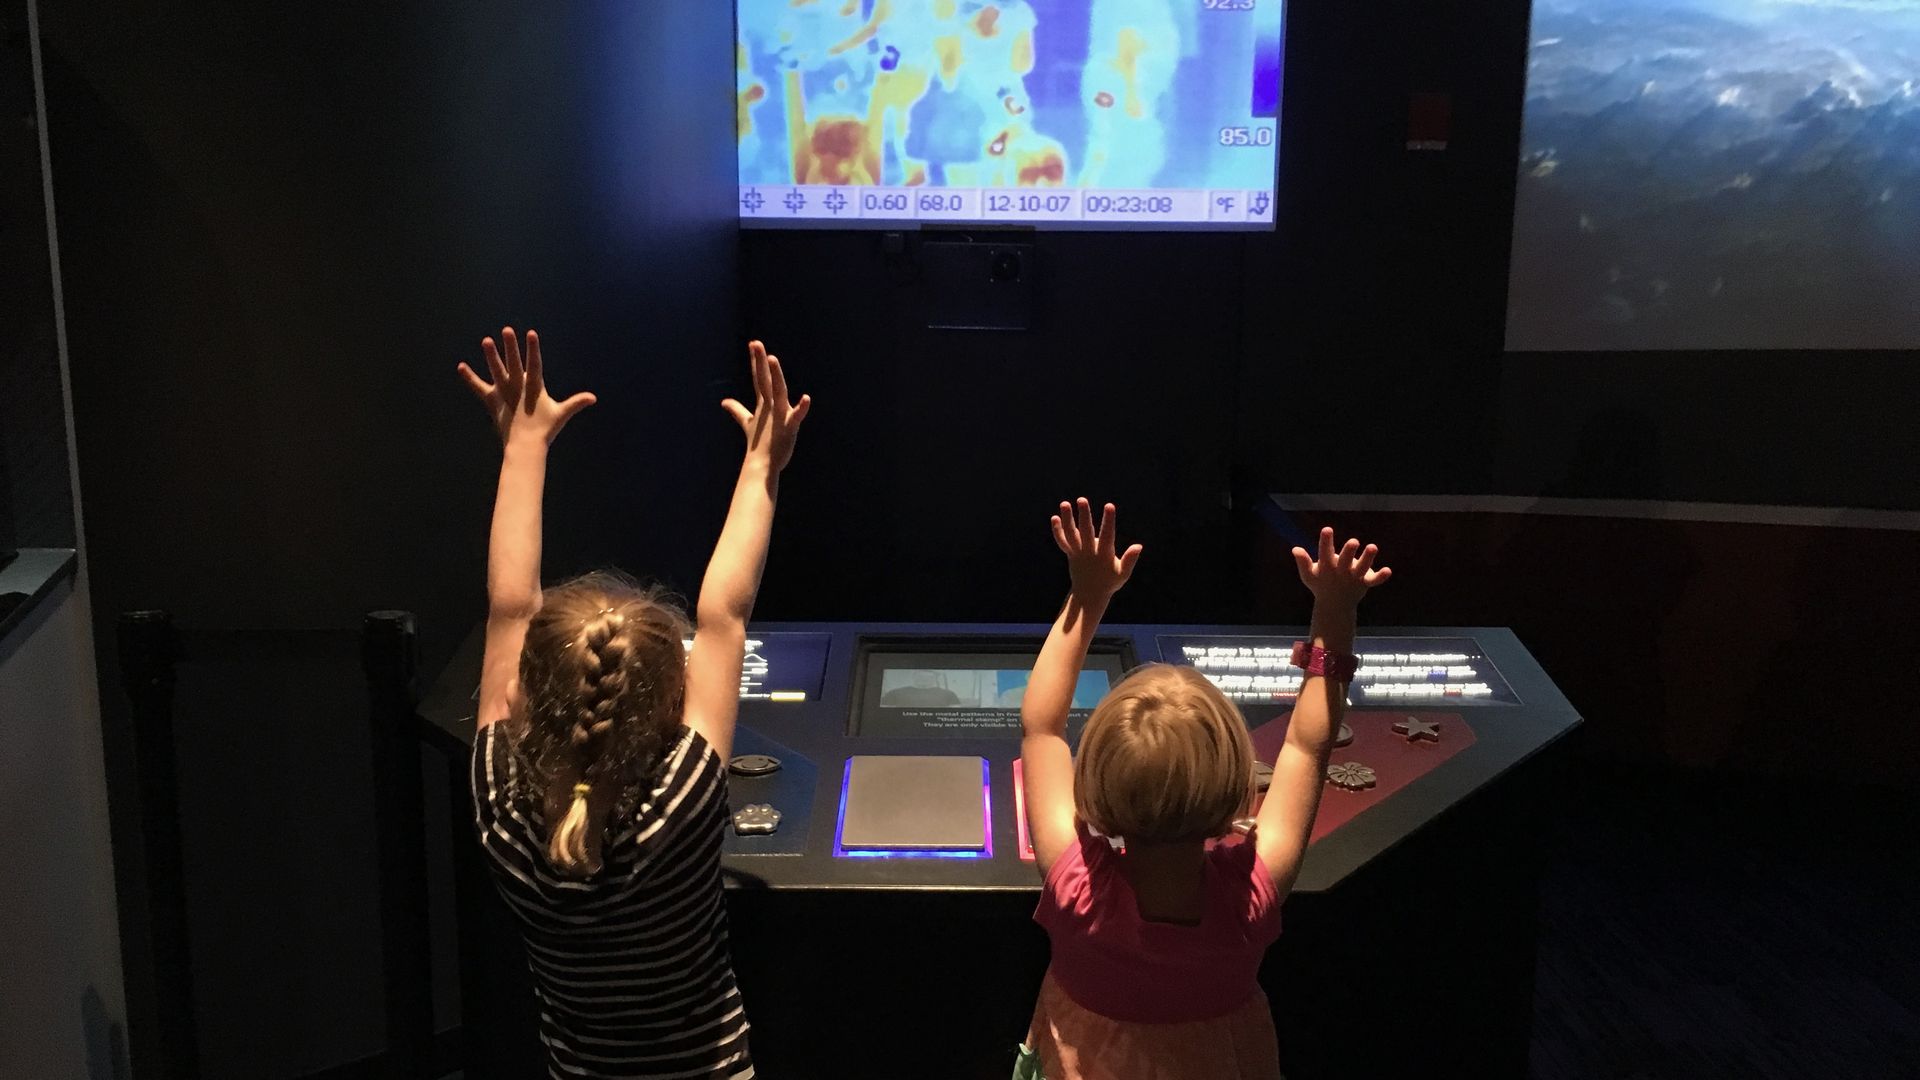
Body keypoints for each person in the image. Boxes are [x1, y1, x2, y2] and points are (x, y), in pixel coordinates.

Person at [459, 327, 809, 1079]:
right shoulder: (679, 801)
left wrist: (522, 449)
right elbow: (724, 615)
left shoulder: (501, 808)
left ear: (524, 695)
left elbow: (508, 609)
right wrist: (762, 467)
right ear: (672, 697)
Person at [1015, 499, 1390, 1080]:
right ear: (1234, 784)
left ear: (1095, 782)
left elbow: (1041, 728)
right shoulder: (1251, 896)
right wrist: (1334, 613)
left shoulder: (1076, 888)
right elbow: (1307, 749)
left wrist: (1086, 596)